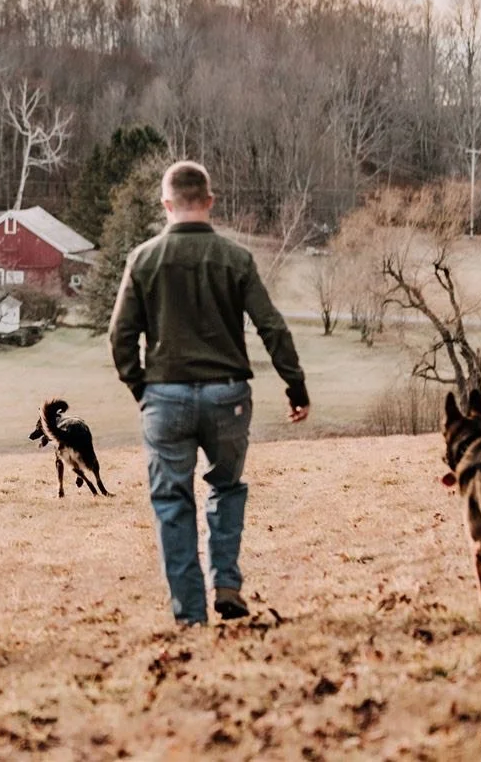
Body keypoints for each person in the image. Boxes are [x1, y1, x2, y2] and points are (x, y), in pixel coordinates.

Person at [108, 160, 310, 627]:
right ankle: (227, 584)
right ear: (210, 202)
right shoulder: (235, 258)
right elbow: (272, 326)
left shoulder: (143, 259)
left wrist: (143, 389)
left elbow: (120, 337)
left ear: (166, 204)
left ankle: (190, 614)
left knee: (171, 502)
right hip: (229, 397)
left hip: (166, 397)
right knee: (226, 486)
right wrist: (294, 385)